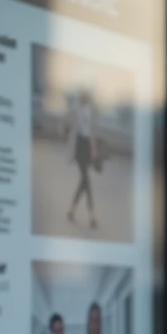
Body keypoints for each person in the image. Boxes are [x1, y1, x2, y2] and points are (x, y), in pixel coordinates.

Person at [66, 89, 98, 230]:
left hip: (86, 146)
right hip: (79, 146)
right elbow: (70, 122)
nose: (85, 97)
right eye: (83, 96)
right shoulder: (76, 109)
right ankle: (92, 217)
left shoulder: (90, 110)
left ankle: (71, 211)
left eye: (87, 96)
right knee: (86, 181)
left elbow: (91, 131)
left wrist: (93, 148)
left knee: (83, 182)